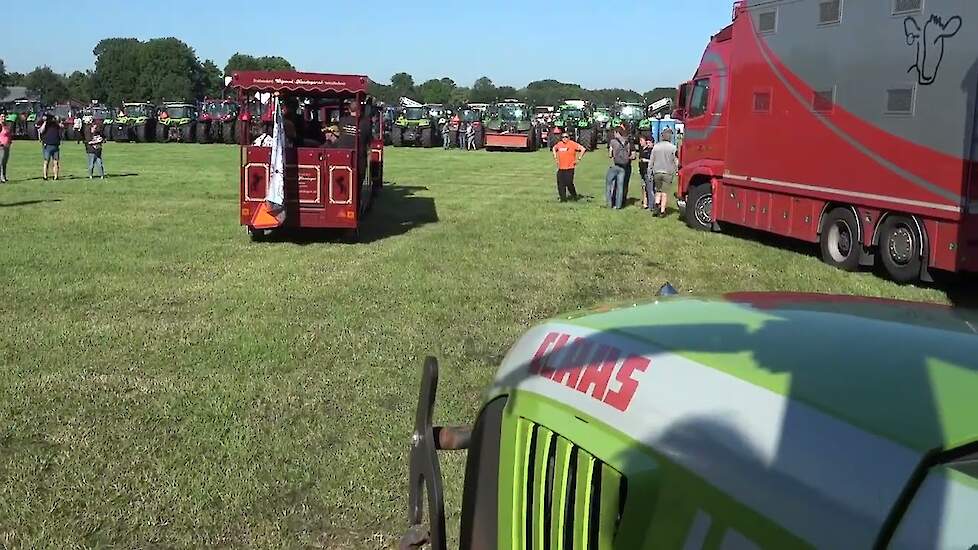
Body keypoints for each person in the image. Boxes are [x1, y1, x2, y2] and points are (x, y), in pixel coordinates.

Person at [649, 128, 679, 217]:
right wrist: (677, 170)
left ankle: (657, 204)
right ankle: (662, 211)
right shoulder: (673, 148)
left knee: (658, 190)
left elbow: (652, 160)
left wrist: (650, 170)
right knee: (664, 192)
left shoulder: (656, 146)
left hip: (657, 171)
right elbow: (676, 161)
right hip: (668, 172)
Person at [551, 130, 585, 202]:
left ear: (569, 138)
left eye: (566, 137)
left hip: (569, 167)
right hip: (561, 168)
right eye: (563, 137)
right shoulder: (559, 144)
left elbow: (583, 149)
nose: (564, 138)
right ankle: (563, 199)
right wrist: (555, 157)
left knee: (569, 183)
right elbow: (554, 148)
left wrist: (578, 159)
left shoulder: (572, 144)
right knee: (560, 184)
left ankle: (574, 195)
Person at [606, 126, 632, 209]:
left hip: (615, 165)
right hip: (623, 167)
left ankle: (609, 204)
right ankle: (618, 206)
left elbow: (610, 155)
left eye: (614, 132)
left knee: (609, 185)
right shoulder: (627, 142)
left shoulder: (613, 141)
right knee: (620, 187)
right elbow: (630, 154)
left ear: (617, 133)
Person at [38, 114, 62, 181]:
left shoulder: (56, 125)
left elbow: (61, 127)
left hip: (55, 145)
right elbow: (41, 131)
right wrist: (45, 122)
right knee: (46, 161)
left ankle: (56, 176)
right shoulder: (46, 125)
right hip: (47, 145)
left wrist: (57, 120)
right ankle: (45, 176)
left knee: (56, 162)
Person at [638, 135, 655, 209]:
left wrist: (646, 160)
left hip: (648, 172)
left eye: (649, 142)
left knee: (650, 188)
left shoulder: (651, 151)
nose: (648, 144)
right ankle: (645, 203)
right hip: (642, 171)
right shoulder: (642, 149)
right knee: (644, 187)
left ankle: (652, 205)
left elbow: (653, 161)